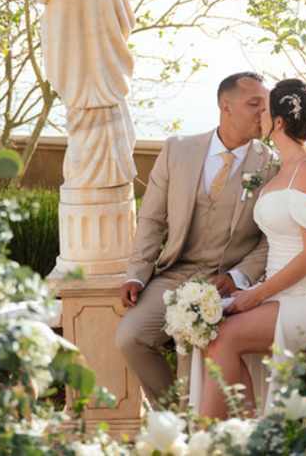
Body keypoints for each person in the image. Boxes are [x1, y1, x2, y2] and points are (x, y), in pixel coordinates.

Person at [192, 79, 306, 418]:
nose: (258, 114)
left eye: (264, 109)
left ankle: (227, 434)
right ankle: (240, 432)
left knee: (222, 337)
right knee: (210, 330)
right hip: (280, 292)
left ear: (277, 122)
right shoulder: (282, 167)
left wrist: (255, 296)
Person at [115, 71, 277, 407]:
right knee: (131, 337)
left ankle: (196, 427)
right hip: (175, 273)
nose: (264, 113)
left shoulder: (270, 164)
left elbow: (270, 238)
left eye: (266, 105)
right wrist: (136, 274)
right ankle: (173, 417)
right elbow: (152, 218)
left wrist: (238, 277)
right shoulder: (178, 150)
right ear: (225, 106)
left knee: (195, 353)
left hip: (226, 284)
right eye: (254, 104)